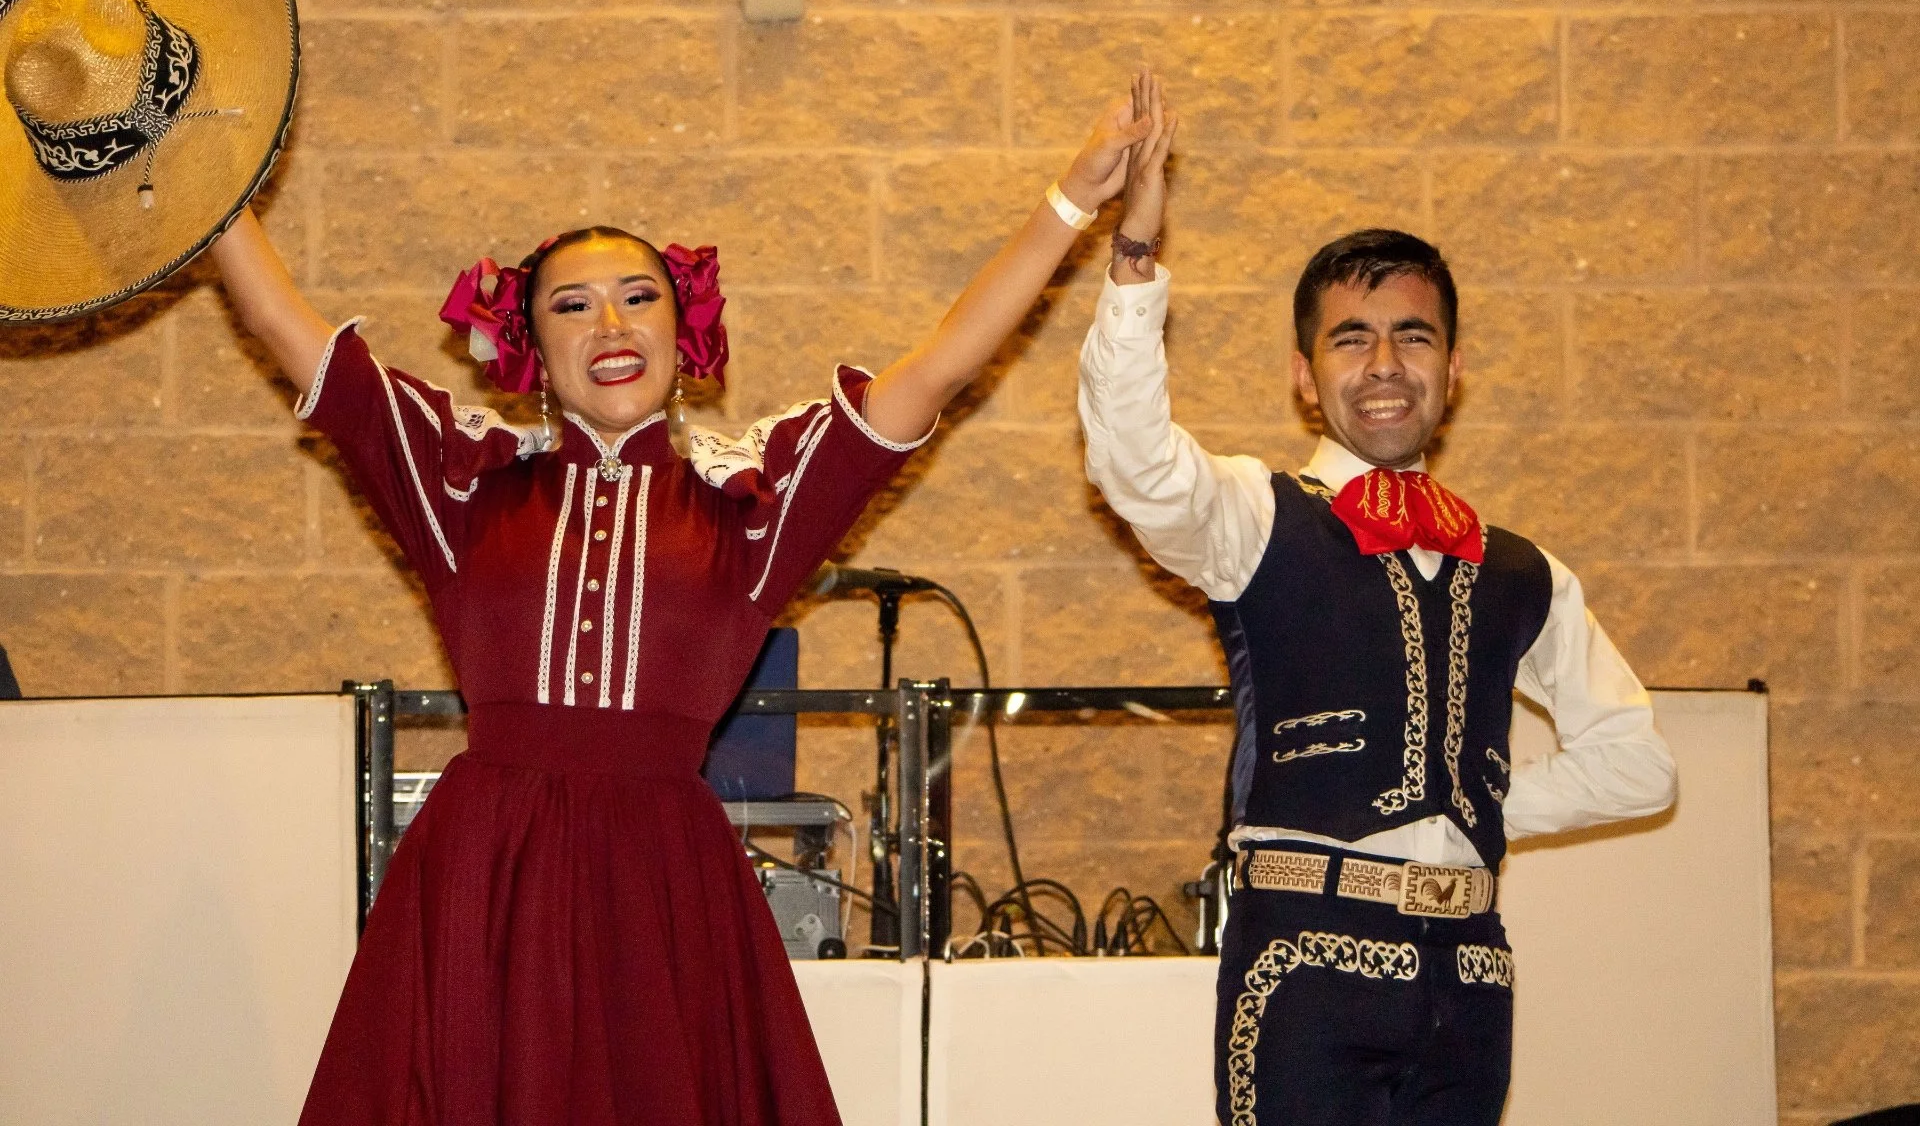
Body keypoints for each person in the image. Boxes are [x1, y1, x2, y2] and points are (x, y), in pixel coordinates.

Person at [208, 78, 1173, 1126]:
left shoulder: (751, 500)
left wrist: (1073, 202)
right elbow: (277, 317)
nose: (610, 322)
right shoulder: (463, 482)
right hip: (486, 879)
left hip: (664, 891)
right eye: (571, 304)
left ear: (683, 329)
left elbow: (934, 369)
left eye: (639, 294)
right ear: (531, 350)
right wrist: (191, 160)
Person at [1077, 79, 1678, 1126]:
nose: (1387, 365)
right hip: (1307, 964)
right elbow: (1134, 462)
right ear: (1307, 378)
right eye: (1351, 338)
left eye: (1415, 335)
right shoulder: (1259, 517)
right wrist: (1134, 256)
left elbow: (1638, 760)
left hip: (1472, 980)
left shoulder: (1522, 567)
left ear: (1455, 366)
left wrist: (1487, 804)